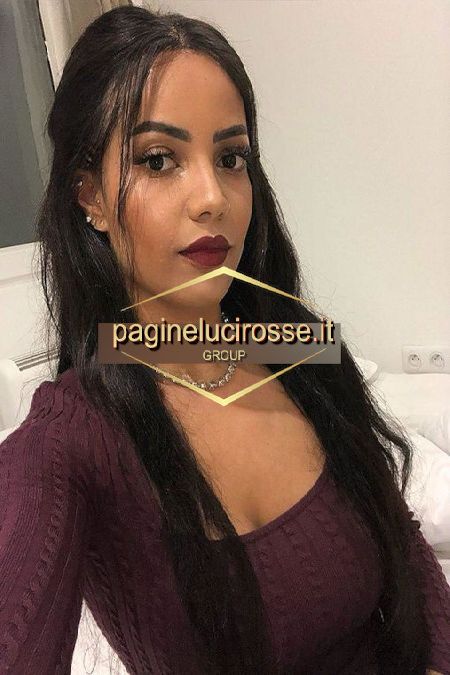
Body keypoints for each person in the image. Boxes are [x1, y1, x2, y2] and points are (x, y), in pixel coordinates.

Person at [0, 6, 449, 674]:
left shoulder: (297, 344)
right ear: (88, 195)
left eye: (231, 158)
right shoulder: (70, 437)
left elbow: (400, 533)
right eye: (159, 160)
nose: (213, 197)